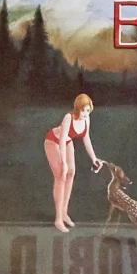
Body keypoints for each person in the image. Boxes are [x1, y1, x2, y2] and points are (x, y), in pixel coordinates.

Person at [43, 89, 102, 233]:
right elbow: (61, 140)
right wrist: (63, 162)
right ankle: (58, 219)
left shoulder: (86, 119)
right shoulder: (68, 118)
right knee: (61, 175)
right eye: (83, 110)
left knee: (71, 172)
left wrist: (94, 158)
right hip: (53, 141)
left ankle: (64, 213)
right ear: (77, 109)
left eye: (88, 110)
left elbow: (86, 139)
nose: (86, 113)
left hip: (67, 142)